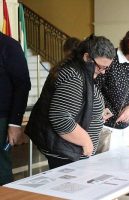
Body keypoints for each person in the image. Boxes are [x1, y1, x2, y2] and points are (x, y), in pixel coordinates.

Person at [25, 35, 115, 169]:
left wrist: (96, 112)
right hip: (67, 153)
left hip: (71, 151)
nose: (102, 72)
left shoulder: (82, 70)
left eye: (106, 68)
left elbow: (77, 103)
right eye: (100, 67)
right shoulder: (73, 76)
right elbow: (61, 118)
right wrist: (86, 141)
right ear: (86, 57)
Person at [0, 32, 31, 185]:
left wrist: (14, 123)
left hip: (2, 119)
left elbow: (23, 85)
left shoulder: (9, 46)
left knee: (1, 169)